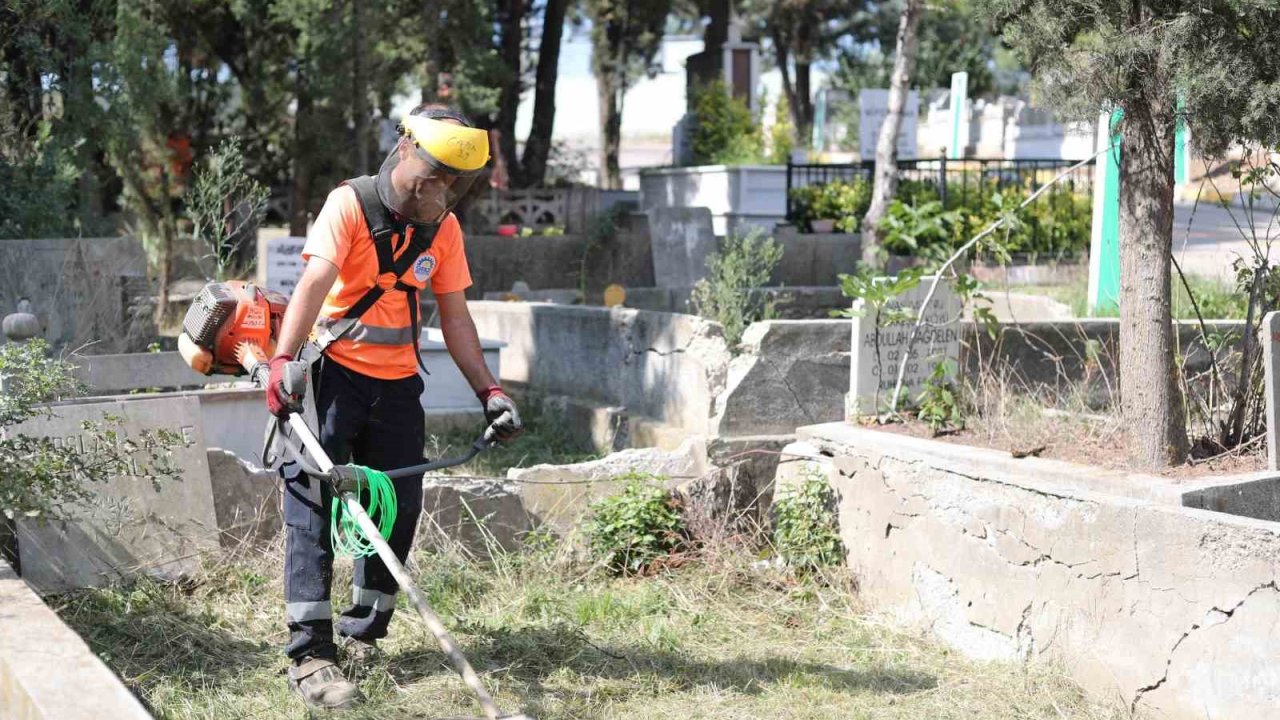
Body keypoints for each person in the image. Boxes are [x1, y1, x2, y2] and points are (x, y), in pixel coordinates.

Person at [264, 103, 523, 710]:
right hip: (333, 376)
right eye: (430, 179)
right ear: (404, 149)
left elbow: (455, 318)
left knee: (397, 509)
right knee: (314, 507)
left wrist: (490, 391)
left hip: (400, 385)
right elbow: (313, 284)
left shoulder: (444, 229)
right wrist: (284, 361)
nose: (435, 194)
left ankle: (364, 633)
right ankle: (311, 655)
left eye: (449, 187)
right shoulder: (349, 204)